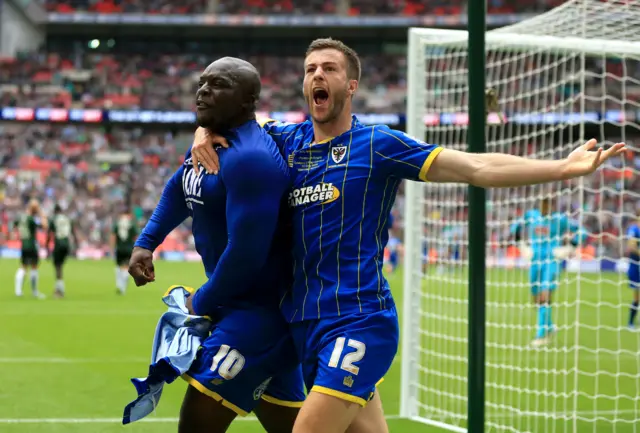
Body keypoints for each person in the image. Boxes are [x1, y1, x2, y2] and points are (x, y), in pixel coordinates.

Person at [189, 38, 626, 433]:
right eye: (310, 70)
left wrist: (562, 168)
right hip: (304, 324)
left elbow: (475, 167)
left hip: (358, 320)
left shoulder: (378, 145)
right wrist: (202, 132)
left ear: (351, 85)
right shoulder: (284, 142)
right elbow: (230, 121)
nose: (317, 75)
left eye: (329, 68)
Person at [128, 57, 304, 433]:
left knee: (195, 424)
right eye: (203, 82)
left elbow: (246, 255)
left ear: (247, 101)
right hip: (238, 306)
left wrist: (201, 302)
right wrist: (147, 242)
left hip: (259, 315)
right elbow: (181, 185)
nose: (203, 90)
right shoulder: (212, 143)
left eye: (218, 84)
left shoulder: (251, 159)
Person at [510, 197, 584, 346]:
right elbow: (515, 227)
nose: (545, 208)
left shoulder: (560, 219)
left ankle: (541, 335)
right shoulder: (532, 216)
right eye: (543, 204)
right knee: (536, 299)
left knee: (545, 296)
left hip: (551, 260)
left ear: (552, 205)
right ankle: (549, 326)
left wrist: (570, 246)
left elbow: (582, 231)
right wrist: (520, 243)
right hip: (534, 260)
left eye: (548, 205)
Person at [13, 199, 48, 299]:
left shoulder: (21, 217)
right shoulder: (31, 219)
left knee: (23, 267)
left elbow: (14, 226)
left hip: (24, 244)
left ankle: (18, 291)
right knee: (34, 267)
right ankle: (34, 292)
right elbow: (44, 226)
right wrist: (41, 213)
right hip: (32, 245)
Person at [47, 204, 76, 298]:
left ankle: (60, 291)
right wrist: (75, 246)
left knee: (57, 266)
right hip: (67, 244)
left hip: (59, 243)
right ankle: (58, 289)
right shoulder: (67, 219)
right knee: (60, 266)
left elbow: (49, 233)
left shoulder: (54, 219)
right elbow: (73, 232)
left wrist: (47, 246)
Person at [110, 208, 138, 295]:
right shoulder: (132, 224)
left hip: (119, 248)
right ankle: (124, 281)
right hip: (129, 248)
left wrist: (112, 248)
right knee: (126, 266)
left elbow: (113, 237)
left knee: (118, 266)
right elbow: (136, 237)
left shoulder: (117, 223)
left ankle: (119, 285)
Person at [626, 213, 640, 329]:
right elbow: (631, 246)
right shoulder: (633, 229)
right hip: (636, 266)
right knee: (637, 296)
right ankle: (630, 322)